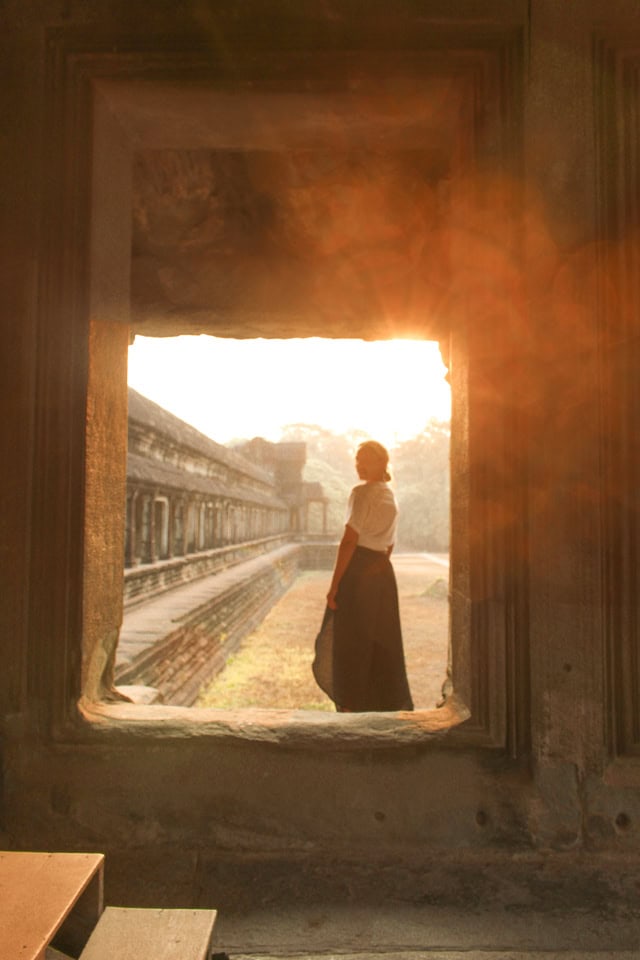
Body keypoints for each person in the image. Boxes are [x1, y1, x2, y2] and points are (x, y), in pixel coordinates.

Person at [312, 440, 414, 712]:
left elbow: (349, 541)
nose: (358, 465)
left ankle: (350, 705)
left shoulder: (361, 493)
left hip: (358, 571)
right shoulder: (390, 496)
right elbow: (390, 544)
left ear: (380, 462)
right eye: (356, 460)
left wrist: (334, 587)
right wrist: (378, 569)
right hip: (382, 573)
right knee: (381, 640)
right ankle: (383, 704)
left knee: (350, 640)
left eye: (364, 459)